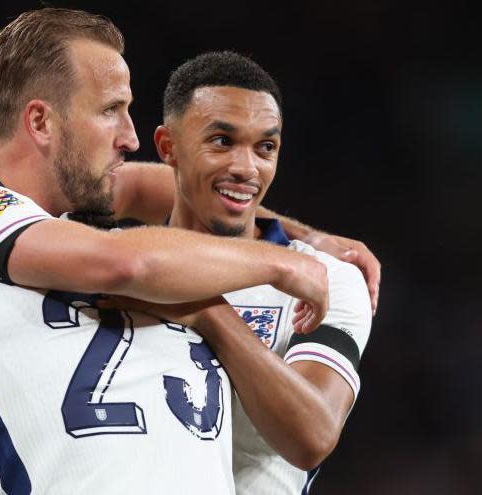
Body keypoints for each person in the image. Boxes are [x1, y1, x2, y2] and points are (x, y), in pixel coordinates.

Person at [0, 8, 330, 493]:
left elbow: (151, 188)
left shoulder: (38, 227)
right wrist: (281, 261)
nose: (130, 136)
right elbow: (125, 263)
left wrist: (301, 234)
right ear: (41, 122)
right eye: (110, 110)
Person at [106, 51, 372, 494]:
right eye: (222, 142)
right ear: (167, 147)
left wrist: (208, 313)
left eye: (265, 147)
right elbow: (14, 197)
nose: (246, 168)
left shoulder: (326, 278)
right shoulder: (115, 263)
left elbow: (312, 435)